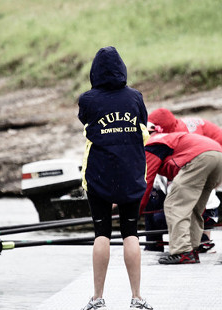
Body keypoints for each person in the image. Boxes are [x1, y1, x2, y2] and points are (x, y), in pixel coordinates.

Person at [77, 46, 153, 310]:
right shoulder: (135, 97)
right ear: (122, 69)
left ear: (94, 72)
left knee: (102, 234)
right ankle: (137, 298)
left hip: (98, 173)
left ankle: (97, 298)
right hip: (131, 172)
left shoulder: (87, 99)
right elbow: (143, 126)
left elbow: (86, 124)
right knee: (131, 232)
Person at [147, 108, 222, 249]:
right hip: (211, 153)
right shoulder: (172, 130)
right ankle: (192, 240)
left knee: (191, 194)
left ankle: (197, 240)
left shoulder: (182, 135)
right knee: (190, 191)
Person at [140, 132, 222, 264]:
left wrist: (137, 211)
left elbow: (146, 182)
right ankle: (192, 250)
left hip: (201, 157)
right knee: (193, 208)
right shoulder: (163, 139)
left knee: (174, 204)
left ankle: (182, 251)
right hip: (219, 156)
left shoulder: (150, 147)